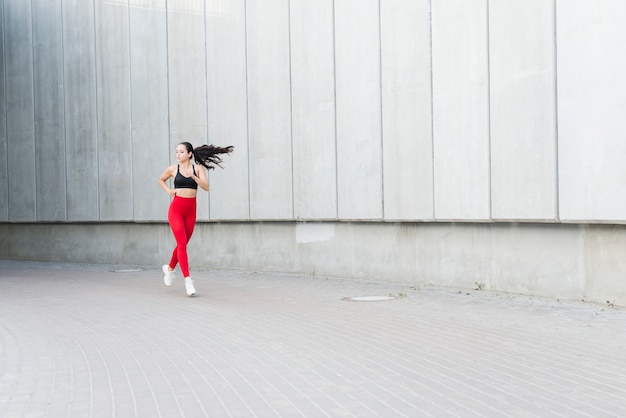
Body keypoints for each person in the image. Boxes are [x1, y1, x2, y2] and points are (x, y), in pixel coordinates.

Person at [158, 142, 234, 296]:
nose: (178, 154)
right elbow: (161, 180)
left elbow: (206, 187)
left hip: (191, 210)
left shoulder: (197, 169)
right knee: (181, 244)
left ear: (189, 154)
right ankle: (188, 281)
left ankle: (170, 269)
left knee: (183, 244)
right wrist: (168, 190)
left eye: (181, 152)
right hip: (176, 209)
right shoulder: (172, 169)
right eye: (177, 151)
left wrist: (193, 177)